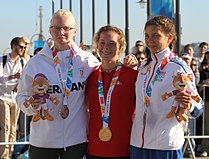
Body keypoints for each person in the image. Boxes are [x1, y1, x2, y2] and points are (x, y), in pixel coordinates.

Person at [16, 9, 137, 159]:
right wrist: (30, 106)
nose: (61, 32)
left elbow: (110, 69)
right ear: (50, 30)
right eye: (57, 28)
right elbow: (21, 96)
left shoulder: (87, 61)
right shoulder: (35, 63)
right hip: (43, 142)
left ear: (75, 31)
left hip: (76, 141)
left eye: (66, 28)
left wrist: (130, 64)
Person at [130, 16, 203, 159]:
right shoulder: (144, 66)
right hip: (138, 143)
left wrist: (189, 106)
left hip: (164, 144)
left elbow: (198, 107)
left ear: (169, 38)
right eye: (147, 35)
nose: (150, 40)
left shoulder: (178, 68)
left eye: (156, 36)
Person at [86, 25, 138, 159]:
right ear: (96, 46)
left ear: (121, 49)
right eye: (102, 43)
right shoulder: (90, 76)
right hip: (94, 148)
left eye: (112, 44)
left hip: (123, 149)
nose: (106, 48)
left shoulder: (133, 75)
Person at [0, 37, 27, 159]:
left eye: (24, 47)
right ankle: (4, 155)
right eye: (21, 46)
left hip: (15, 98)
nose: (23, 49)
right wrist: (13, 77)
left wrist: (19, 83)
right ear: (14, 46)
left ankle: (10, 154)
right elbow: (1, 78)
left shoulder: (23, 62)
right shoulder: (3, 60)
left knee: (12, 128)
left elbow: (26, 78)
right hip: (3, 97)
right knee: (5, 127)